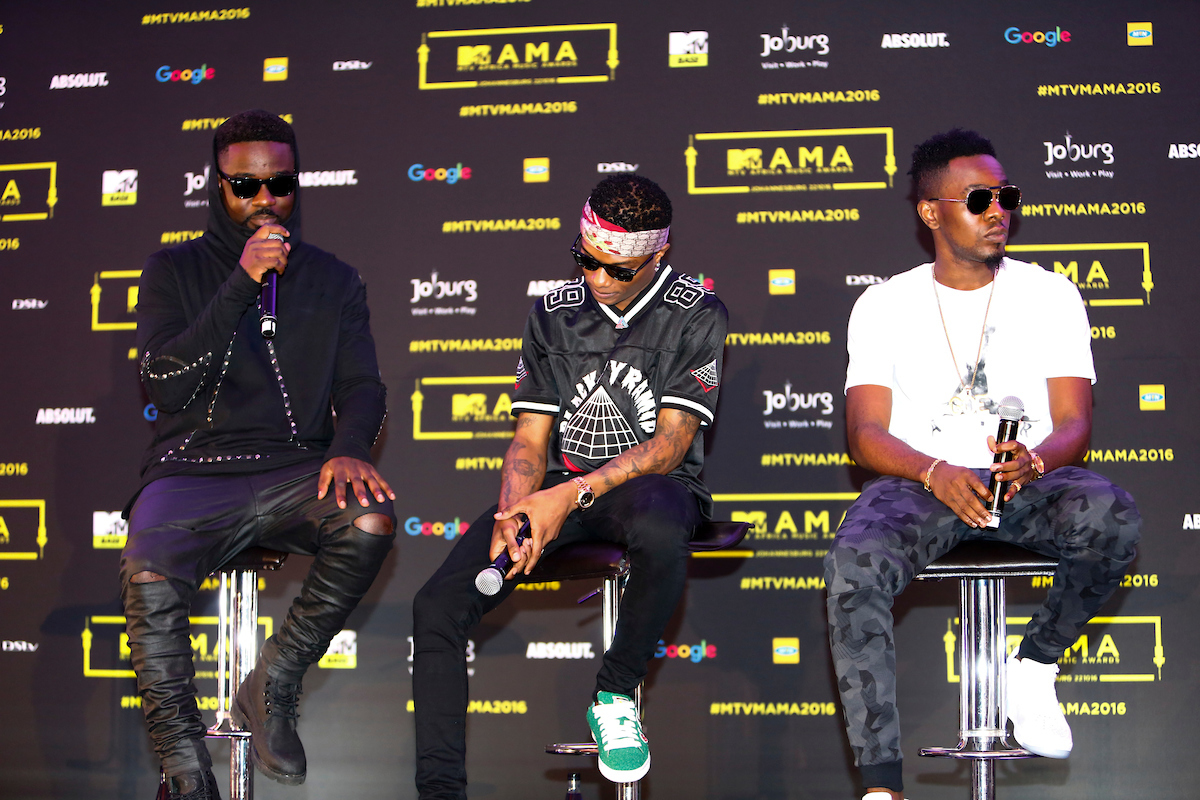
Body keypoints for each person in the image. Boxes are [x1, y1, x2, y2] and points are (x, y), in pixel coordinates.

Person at [823, 129, 1142, 800]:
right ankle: (882, 784)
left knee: (1111, 515)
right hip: (924, 486)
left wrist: (1035, 458)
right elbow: (865, 433)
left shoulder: (1051, 294)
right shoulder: (882, 305)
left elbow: (1075, 423)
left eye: (1006, 196)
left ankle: (1032, 668)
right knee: (854, 562)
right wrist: (934, 470)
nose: (999, 210)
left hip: (1027, 481)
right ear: (931, 211)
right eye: (979, 198)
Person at [412, 174, 727, 798]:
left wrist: (567, 496)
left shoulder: (697, 311)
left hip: (649, 491)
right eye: (586, 262)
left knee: (663, 522)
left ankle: (614, 691)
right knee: (438, 607)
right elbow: (530, 441)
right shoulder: (552, 314)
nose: (598, 280)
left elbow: (669, 446)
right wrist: (514, 512)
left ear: (657, 257)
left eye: (617, 269)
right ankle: (440, 792)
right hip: (558, 492)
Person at [120, 110, 396, 800]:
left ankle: (272, 681)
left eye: (280, 184)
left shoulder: (334, 280)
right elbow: (162, 381)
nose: (265, 200)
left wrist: (351, 447)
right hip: (191, 468)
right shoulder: (173, 269)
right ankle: (183, 763)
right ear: (217, 188)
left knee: (369, 520)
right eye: (246, 186)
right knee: (149, 564)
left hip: (291, 468)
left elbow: (362, 383)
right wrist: (242, 282)